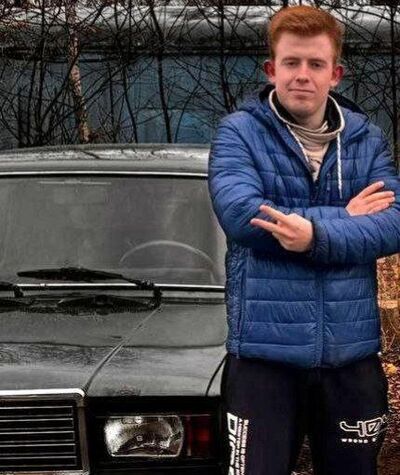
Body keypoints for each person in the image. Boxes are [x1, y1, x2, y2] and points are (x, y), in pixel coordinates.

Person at [208, 5, 400, 475]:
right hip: (263, 361)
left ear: (335, 74)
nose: (302, 75)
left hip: (351, 358)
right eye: (291, 62)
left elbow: (394, 222)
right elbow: (243, 215)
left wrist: (312, 234)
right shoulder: (239, 134)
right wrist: (345, 219)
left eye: (316, 64)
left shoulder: (367, 140)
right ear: (271, 70)